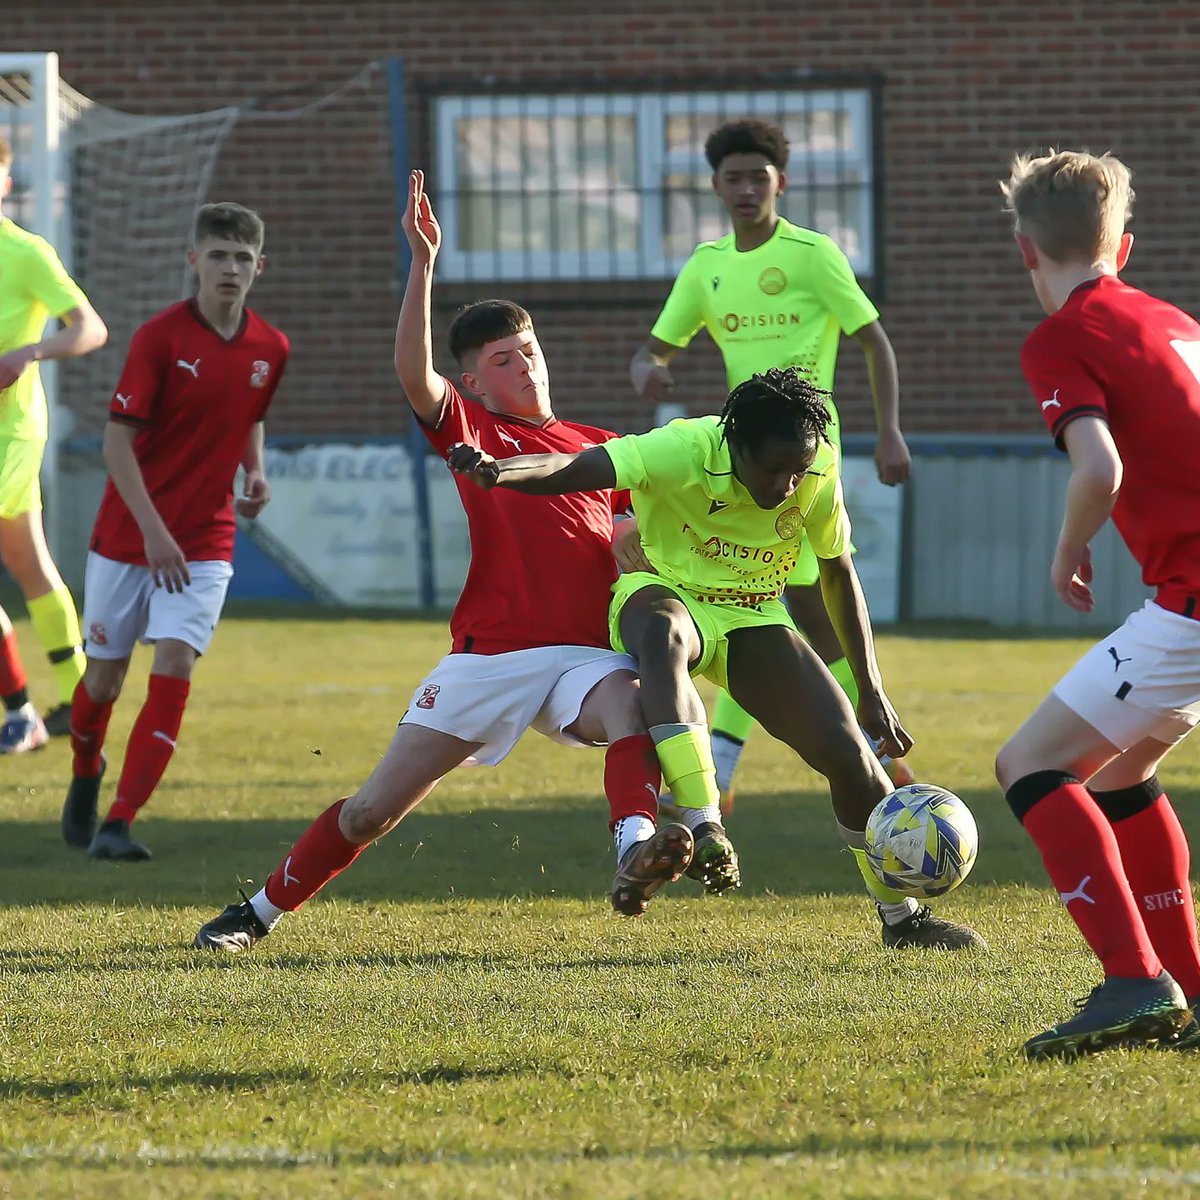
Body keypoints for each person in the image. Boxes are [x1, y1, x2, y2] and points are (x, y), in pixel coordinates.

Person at [193, 171, 692, 952]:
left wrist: (644, 555)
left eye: (527, 351)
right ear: (473, 382)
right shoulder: (474, 429)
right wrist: (423, 263)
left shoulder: (604, 448)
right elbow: (411, 375)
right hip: (489, 655)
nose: (522, 366)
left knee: (630, 702)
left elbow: (636, 542)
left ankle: (635, 846)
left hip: (582, 658)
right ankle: (255, 914)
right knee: (371, 812)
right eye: (501, 360)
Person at [448, 365, 984, 949]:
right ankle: (705, 824)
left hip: (754, 613)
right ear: (735, 446)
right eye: (773, 469)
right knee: (661, 631)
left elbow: (837, 571)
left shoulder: (817, 468)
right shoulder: (684, 447)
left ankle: (903, 920)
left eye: (796, 470)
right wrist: (502, 470)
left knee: (851, 758)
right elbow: (579, 464)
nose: (786, 485)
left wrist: (870, 687)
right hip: (669, 592)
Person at [630, 118, 915, 806]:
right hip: (740, 463)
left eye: (760, 176)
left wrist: (890, 433)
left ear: (779, 182)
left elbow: (873, 340)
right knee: (795, 614)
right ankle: (878, 749)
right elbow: (657, 347)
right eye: (734, 178)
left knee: (777, 604)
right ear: (716, 186)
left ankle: (731, 764)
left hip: (806, 459)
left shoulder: (813, 256)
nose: (747, 188)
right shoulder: (707, 267)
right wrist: (647, 366)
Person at [995, 149, 1200, 1059]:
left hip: (1194, 601)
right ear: (1126, 244)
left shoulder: (1064, 335)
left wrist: (1071, 544)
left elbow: (1101, 467)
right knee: (1118, 773)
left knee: (1032, 765)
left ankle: (1131, 982)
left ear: (1024, 251)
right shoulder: (1174, 321)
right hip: (1187, 597)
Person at [61, 202, 288, 860]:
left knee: (175, 662)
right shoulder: (160, 338)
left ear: (259, 268)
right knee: (102, 682)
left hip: (206, 539)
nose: (230, 268)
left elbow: (250, 414)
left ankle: (119, 824)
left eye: (243, 258)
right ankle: (85, 773)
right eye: (218, 254)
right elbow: (115, 445)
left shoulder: (270, 348)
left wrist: (256, 472)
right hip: (128, 538)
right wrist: (154, 533)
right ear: (194, 261)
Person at [0, 135, 108, 751]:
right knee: (27, 561)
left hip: (12, 428)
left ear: (7, 185)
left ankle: (22, 712)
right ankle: (79, 697)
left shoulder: (25, 253)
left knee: (27, 560)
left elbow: (90, 327)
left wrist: (30, 351)